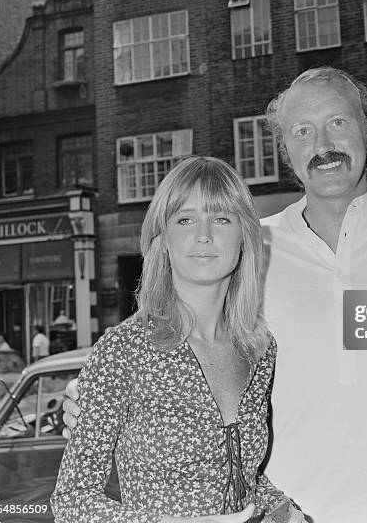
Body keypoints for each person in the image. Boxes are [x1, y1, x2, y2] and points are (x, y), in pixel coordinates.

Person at [63, 67, 367, 522]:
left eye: (338, 122)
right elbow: (187, 340)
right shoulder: (254, 249)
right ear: (286, 150)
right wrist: (94, 392)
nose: (322, 146)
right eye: (302, 131)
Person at [52, 157, 302, 523]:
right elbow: (72, 501)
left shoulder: (259, 349)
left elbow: (240, 478)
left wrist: (282, 509)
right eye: (185, 220)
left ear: (244, 236)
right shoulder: (125, 350)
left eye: (221, 218)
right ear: (162, 239)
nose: (204, 235)